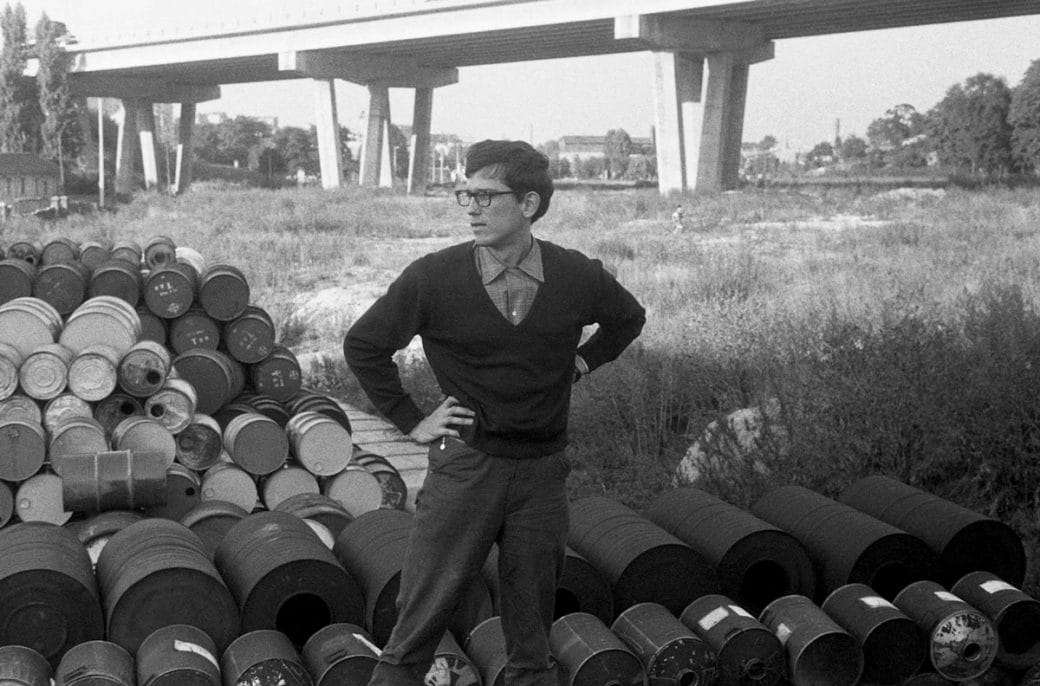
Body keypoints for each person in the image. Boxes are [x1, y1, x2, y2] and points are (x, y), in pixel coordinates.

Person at [344, 139, 646, 686]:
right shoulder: (432, 278)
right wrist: (413, 421)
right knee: (416, 627)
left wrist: (582, 362)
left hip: (542, 475)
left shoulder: (576, 275)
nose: (471, 208)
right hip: (464, 467)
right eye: (465, 195)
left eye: (486, 196)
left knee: (532, 641)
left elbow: (628, 318)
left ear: (528, 204)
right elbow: (364, 345)